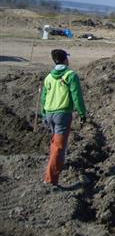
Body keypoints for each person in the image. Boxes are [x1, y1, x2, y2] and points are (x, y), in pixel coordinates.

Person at [41, 49, 87, 187]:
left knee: (55, 142)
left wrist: (43, 113)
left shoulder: (49, 77)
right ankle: (51, 180)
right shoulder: (70, 75)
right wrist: (82, 113)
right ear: (65, 59)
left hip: (49, 113)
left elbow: (44, 97)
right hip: (62, 114)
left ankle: (57, 164)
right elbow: (76, 96)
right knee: (59, 147)